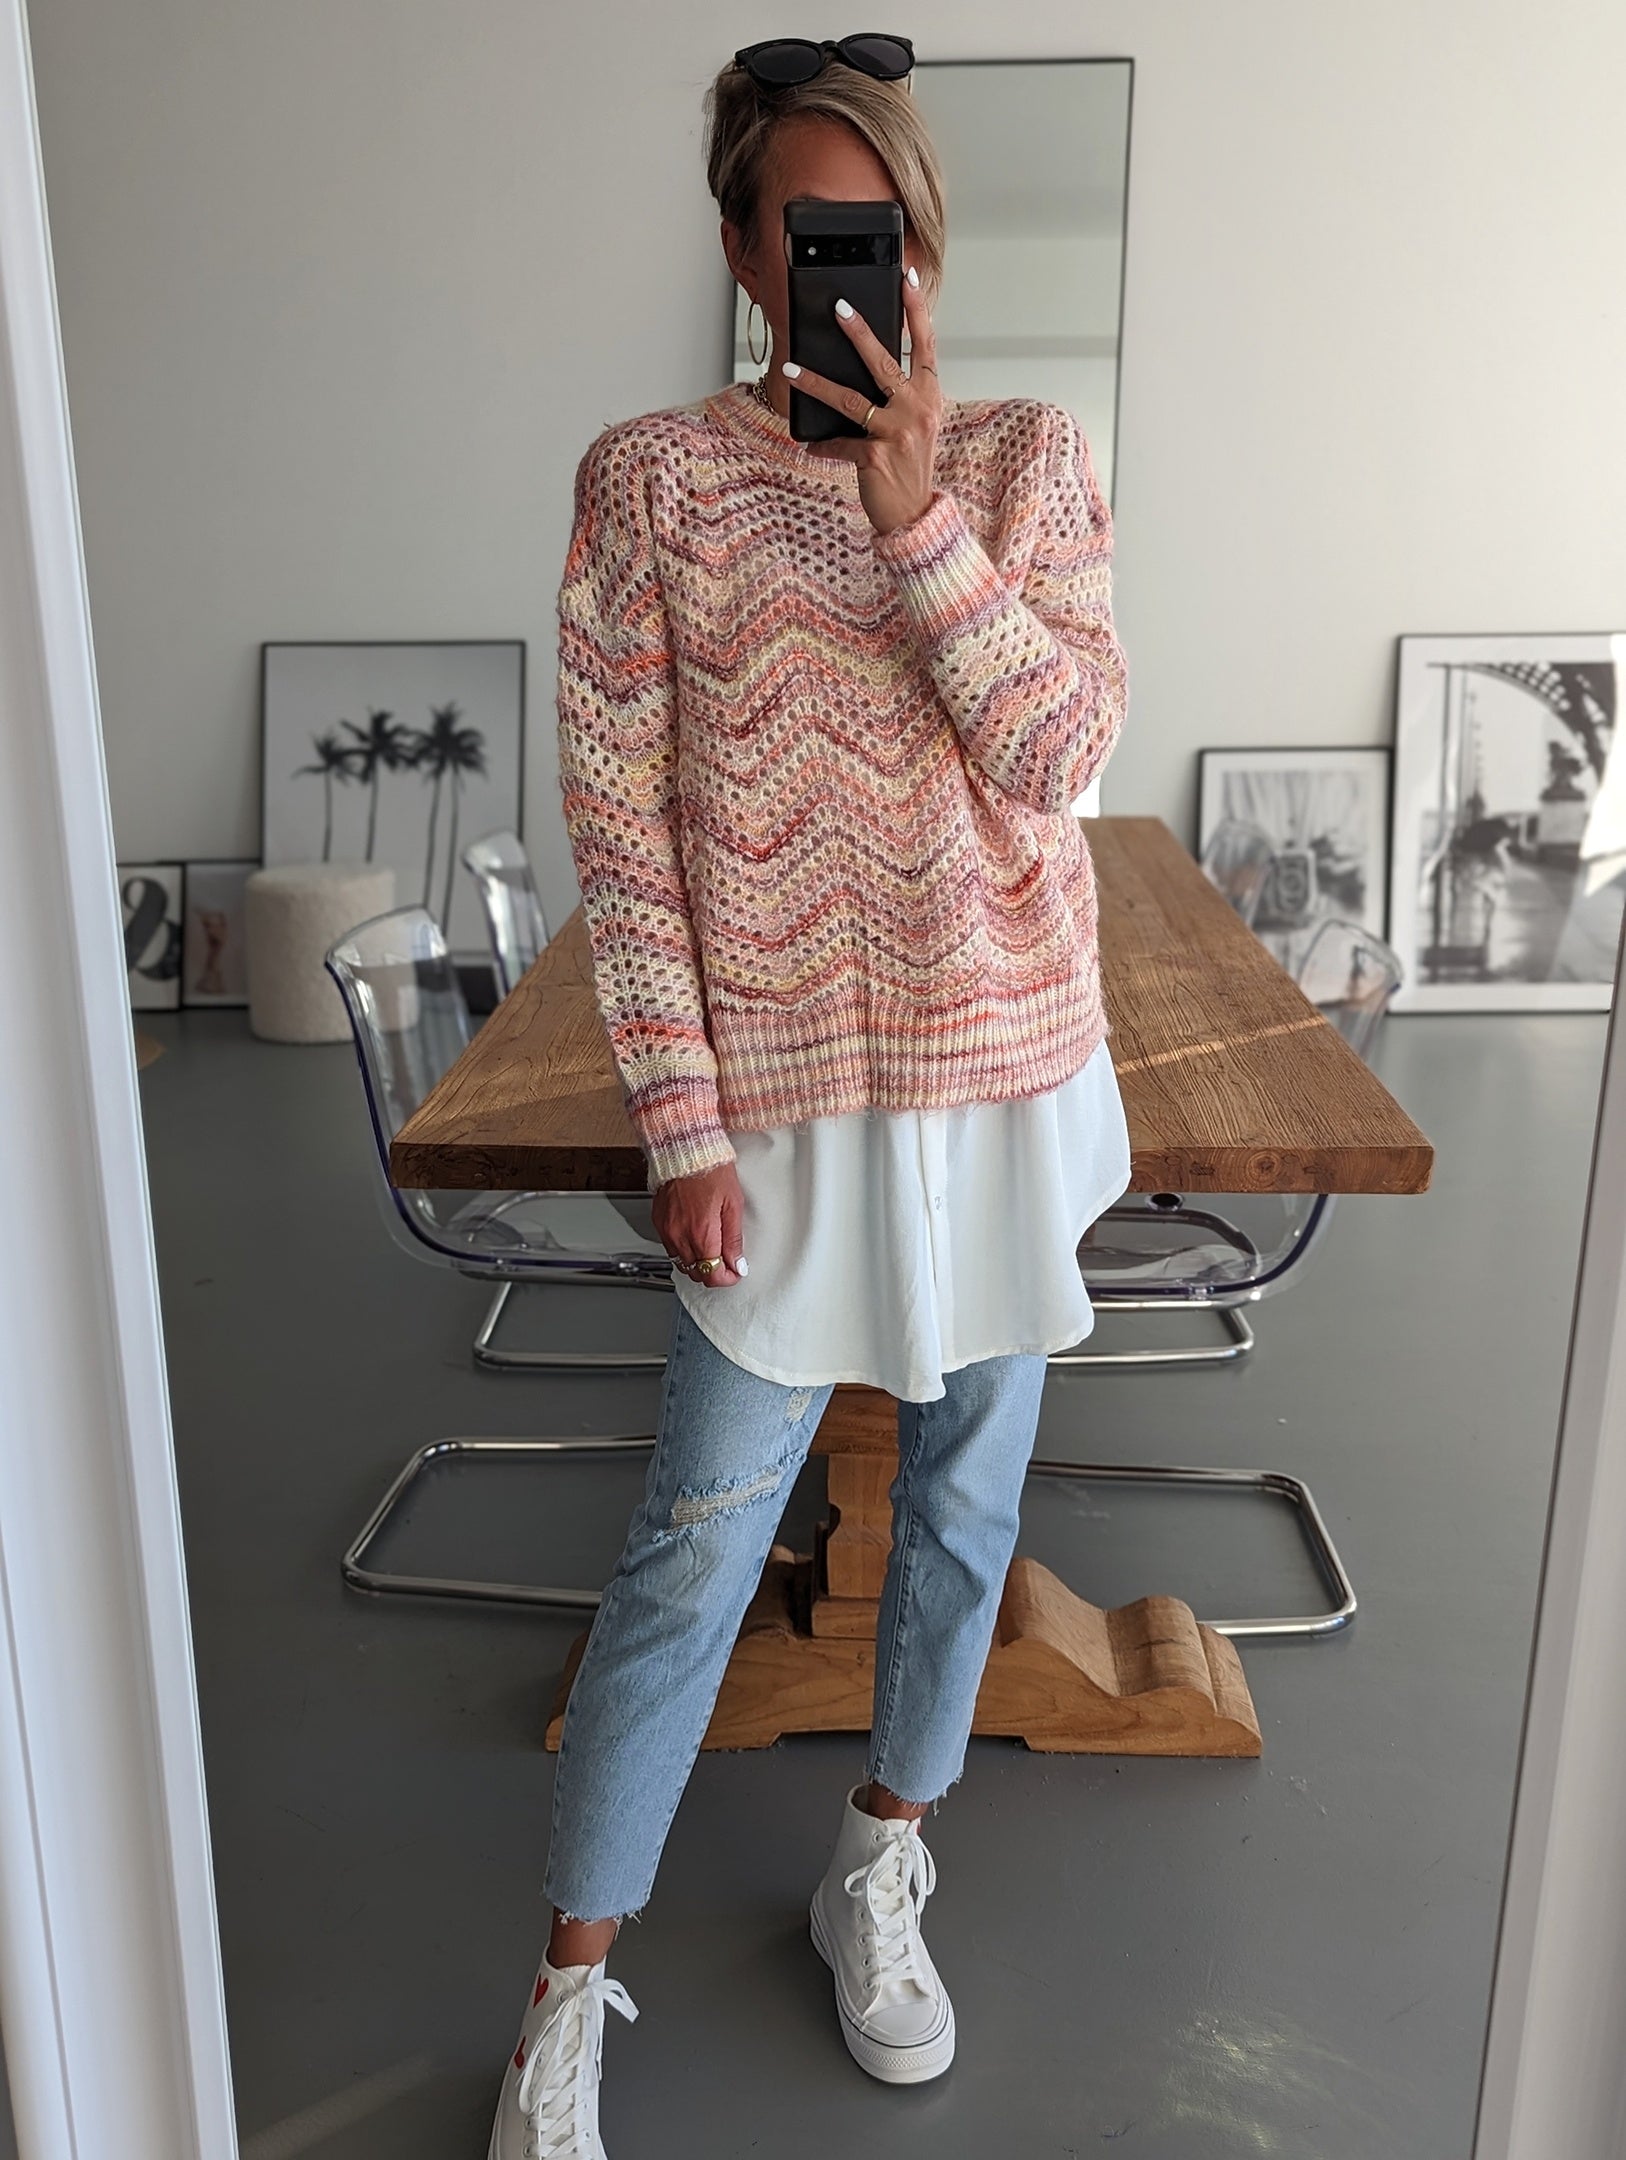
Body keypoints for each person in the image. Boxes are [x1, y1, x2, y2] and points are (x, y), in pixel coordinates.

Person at [488, 36, 1131, 2159]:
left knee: (960, 1519)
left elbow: (1056, 759)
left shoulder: (1029, 461)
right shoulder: (649, 484)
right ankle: (564, 1990)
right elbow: (624, 842)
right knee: (690, 1554)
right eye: (815, 225)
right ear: (747, 249)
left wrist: (916, 514)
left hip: (1002, 1088)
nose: (863, 262)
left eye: (892, 227)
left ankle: (882, 1857)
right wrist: (679, 1123)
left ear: (926, 248)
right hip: (771, 1118)